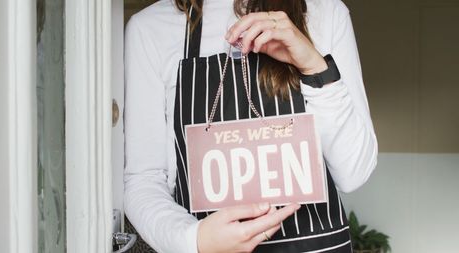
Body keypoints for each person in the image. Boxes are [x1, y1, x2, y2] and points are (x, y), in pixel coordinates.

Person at [124, 0, 378, 252]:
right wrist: (193, 240)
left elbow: (353, 173)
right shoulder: (149, 28)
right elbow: (144, 179)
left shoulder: (325, 12)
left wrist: (314, 67)